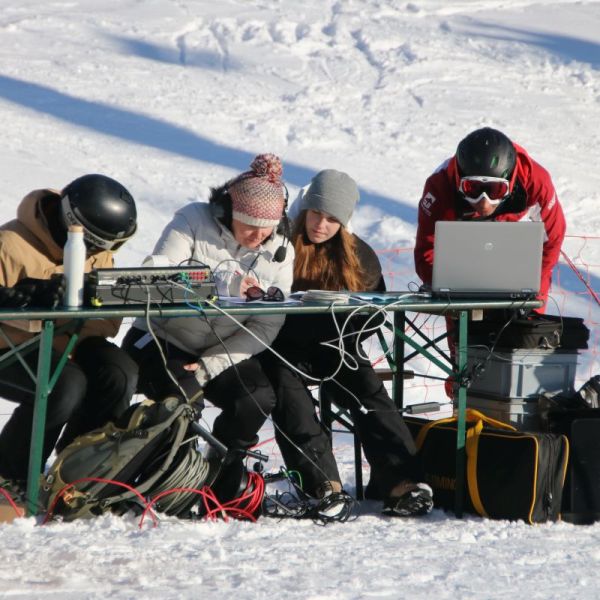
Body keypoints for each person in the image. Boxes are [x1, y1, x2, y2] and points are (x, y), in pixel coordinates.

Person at [259, 169, 433, 518]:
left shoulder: (359, 255)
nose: (321, 225)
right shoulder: (278, 244)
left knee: (370, 392)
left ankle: (404, 483)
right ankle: (323, 486)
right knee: (291, 399)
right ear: (305, 209)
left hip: (336, 346)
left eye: (332, 219)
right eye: (316, 213)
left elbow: (375, 312)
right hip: (282, 347)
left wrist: (346, 333)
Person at [121, 154, 294, 493]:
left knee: (256, 397)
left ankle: (221, 478)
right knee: (182, 399)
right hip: (162, 338)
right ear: (228, 212)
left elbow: (266, 326)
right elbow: (156, 276)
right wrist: (219, 283)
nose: (259, 235)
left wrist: (210, 365)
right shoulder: (193, 219)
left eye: (267, 229)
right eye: (249, 226)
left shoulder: (281, 250)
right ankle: (165, 483)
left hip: (223, 349)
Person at [0, 174, 139, 492]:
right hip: (11, 348)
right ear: (72, 224)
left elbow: (109, 323)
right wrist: (27, 304)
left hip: (72, 341)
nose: (97, 252)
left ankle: (78, 468)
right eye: (94, 243)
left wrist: (88, 300)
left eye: (108, 246)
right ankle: (10, 473)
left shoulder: (98, 254)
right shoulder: (9, 245)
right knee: (63, 384)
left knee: (119, 373)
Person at [414, 127, 566, 310]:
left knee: (528, 324)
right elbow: (426, 251)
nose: (484, 203)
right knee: (464, 325)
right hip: (463, 267)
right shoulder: (440, 187)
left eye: (496, 190)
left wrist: (532, 288)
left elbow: (553, 238)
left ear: (510, 181)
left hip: (514, 265)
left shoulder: (535, 181)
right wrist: (449, 289)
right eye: (472, 188)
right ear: (459, 180)